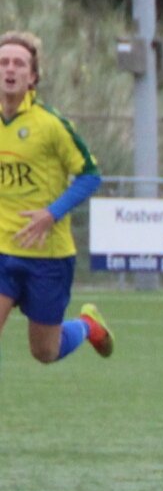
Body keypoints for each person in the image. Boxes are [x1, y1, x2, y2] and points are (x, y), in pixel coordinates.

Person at [0, 31, 112, 365]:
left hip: (47, 257)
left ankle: (87, 325)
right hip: (3, 249)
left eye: (19, 63)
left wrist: (52, 212)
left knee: (45, 352)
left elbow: (91, 175)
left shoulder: (50, 125)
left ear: (32, 77)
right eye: (3, 62)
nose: (10, 69)